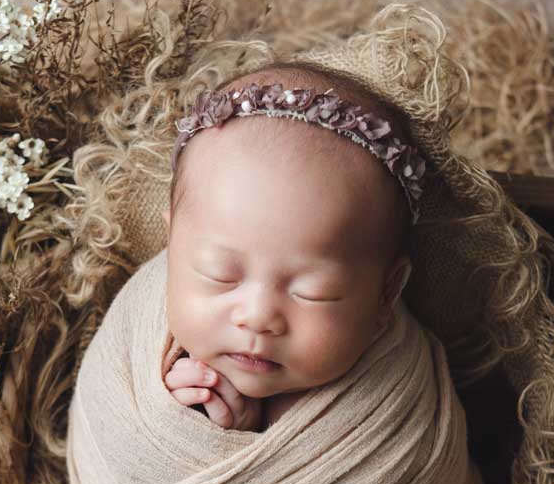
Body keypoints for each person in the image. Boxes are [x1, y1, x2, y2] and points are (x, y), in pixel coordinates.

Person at [160, 62, 421, 431]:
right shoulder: (143, 346)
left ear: (387, 291)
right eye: (220, 275)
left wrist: (251, 431)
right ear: (170, 245)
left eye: (313, 293)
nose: (258, 318)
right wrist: (177, 426)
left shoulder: (394, 409)